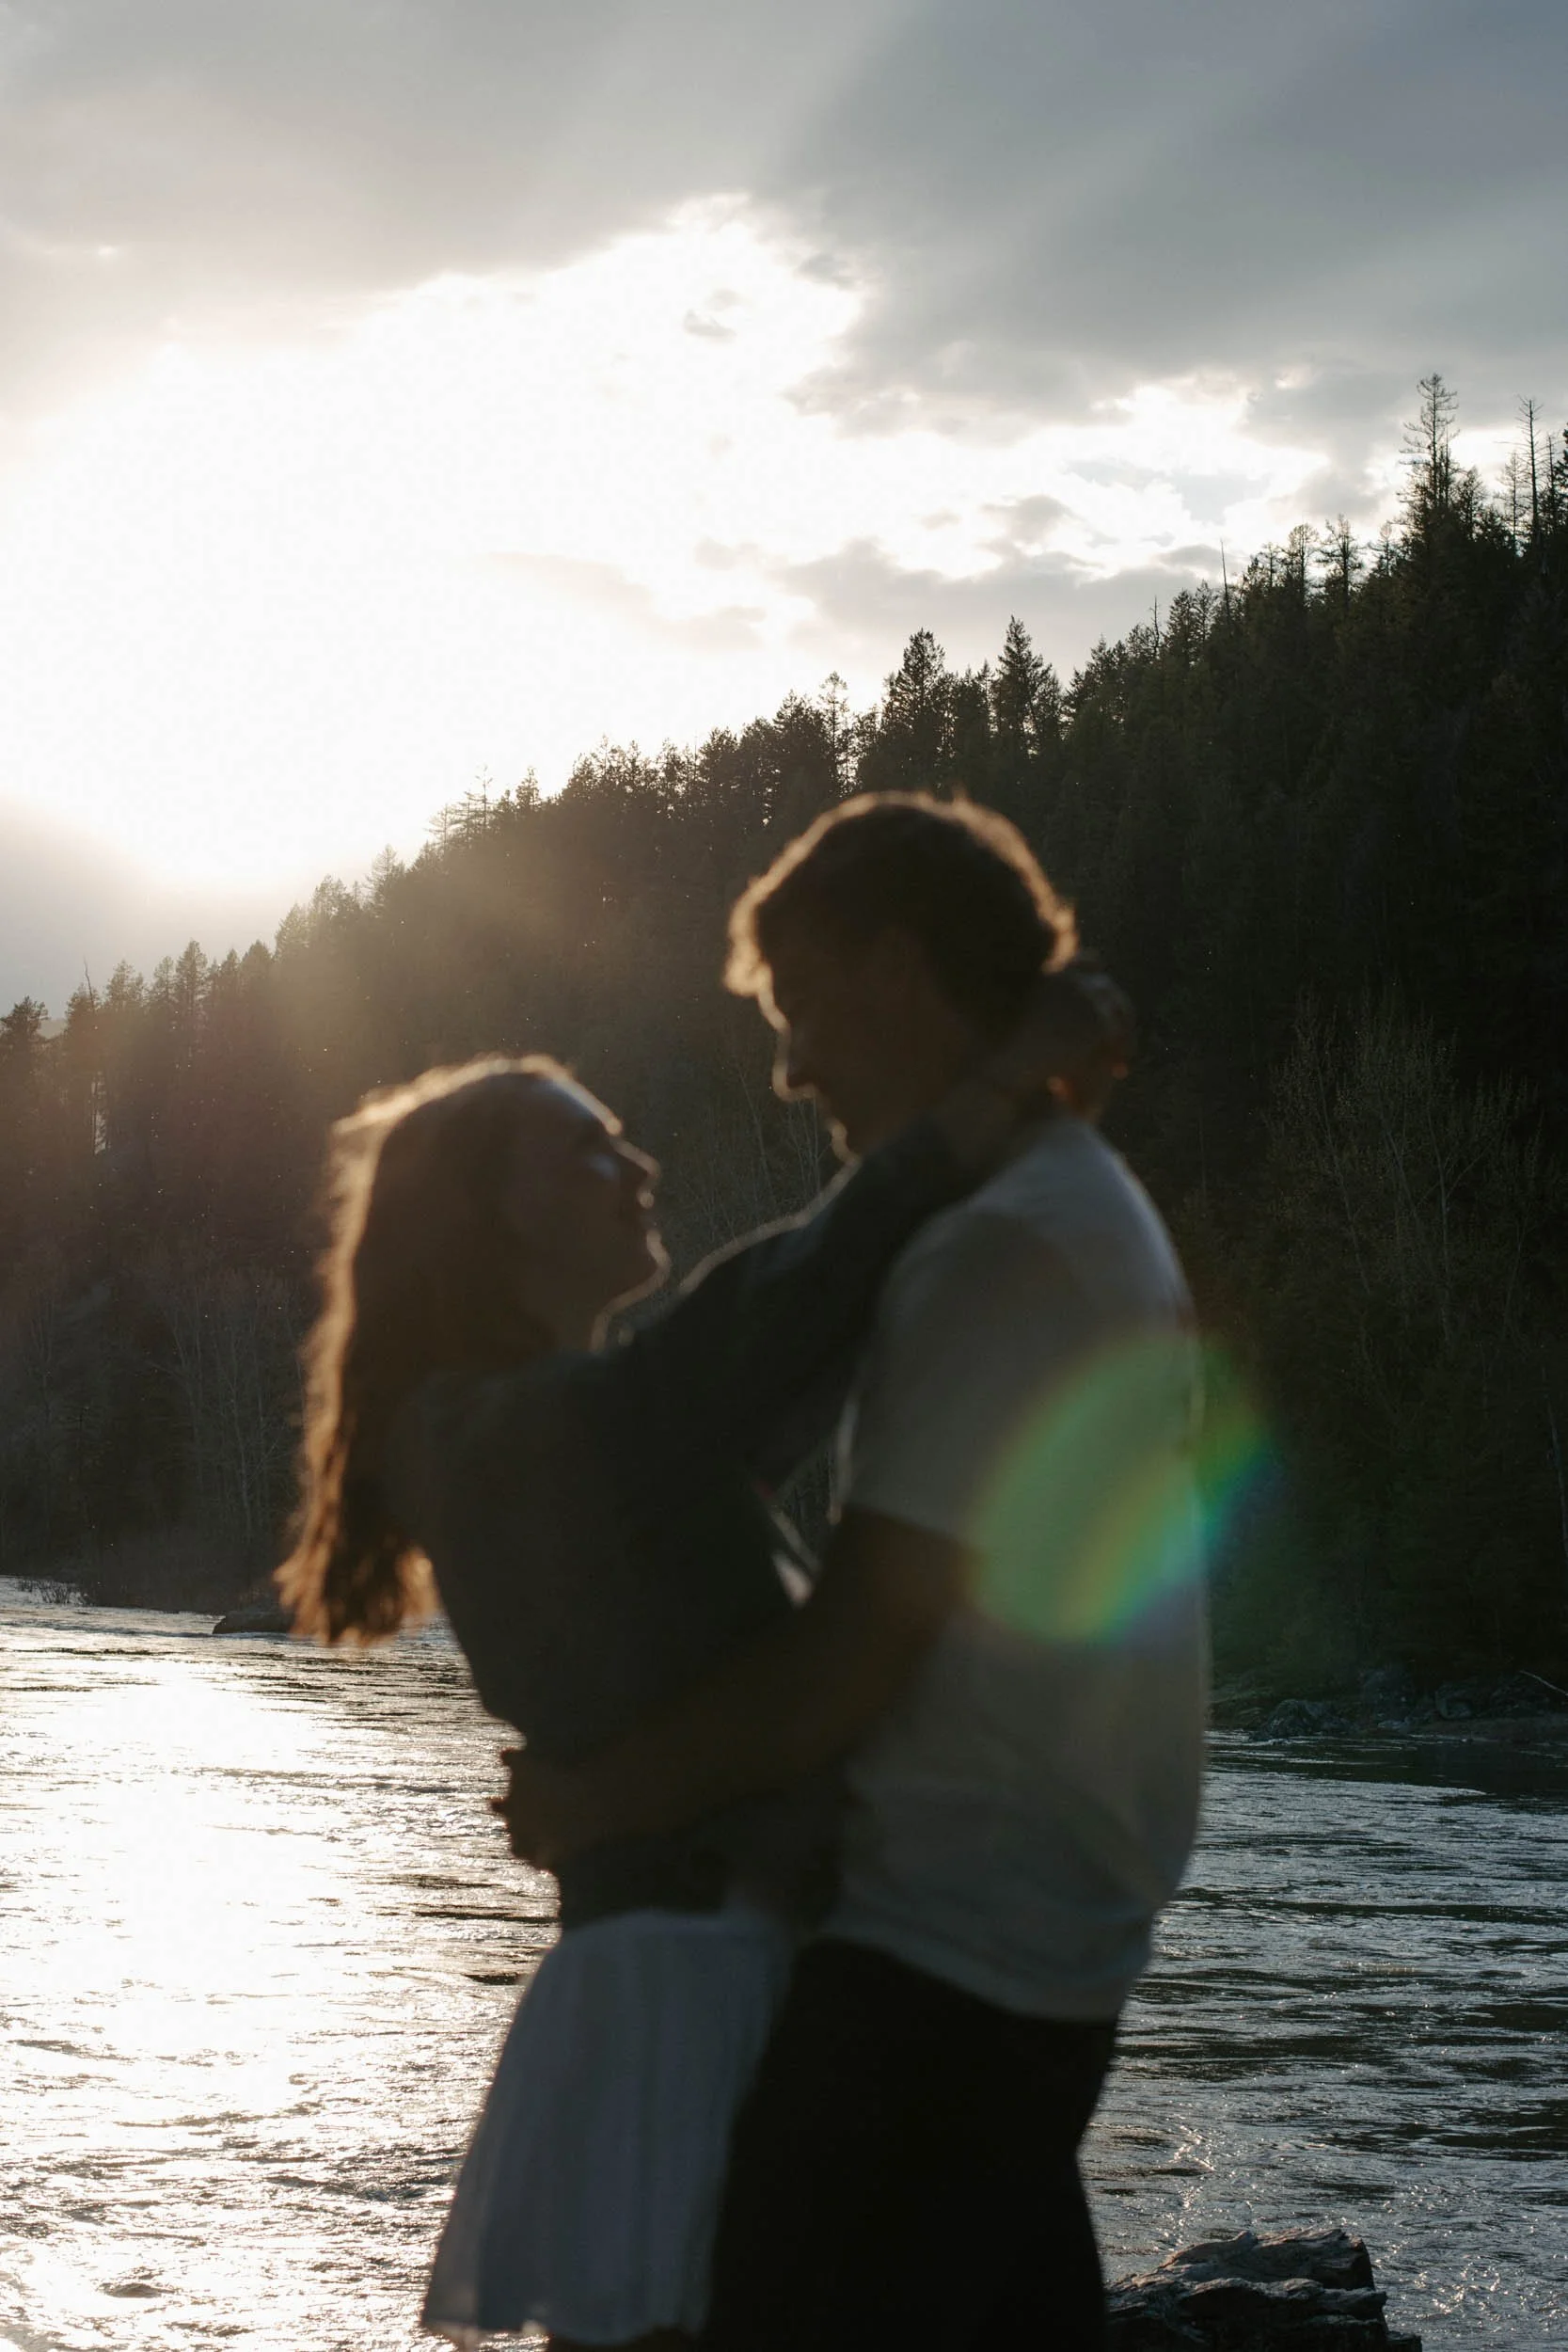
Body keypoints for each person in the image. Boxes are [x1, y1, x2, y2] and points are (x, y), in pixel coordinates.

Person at [277, 961, 1122, 2351]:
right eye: (587, 1149)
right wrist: (979, 1100)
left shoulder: (564, 1432)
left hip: (739, 1974)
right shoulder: (506, 1437)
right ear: (488, 1220)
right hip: (704, 1998)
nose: (639, 1164)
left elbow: (774, 1370)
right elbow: (783, 1308)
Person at [497, 793, 1209, 2352]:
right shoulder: (1058, 1208)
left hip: (938, 1970)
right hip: (1024, 1945)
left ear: (894, 972)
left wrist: (597, 1797)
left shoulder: (999, 1250)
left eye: (801, 1008)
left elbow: (860, 1650)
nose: (792, 1066)